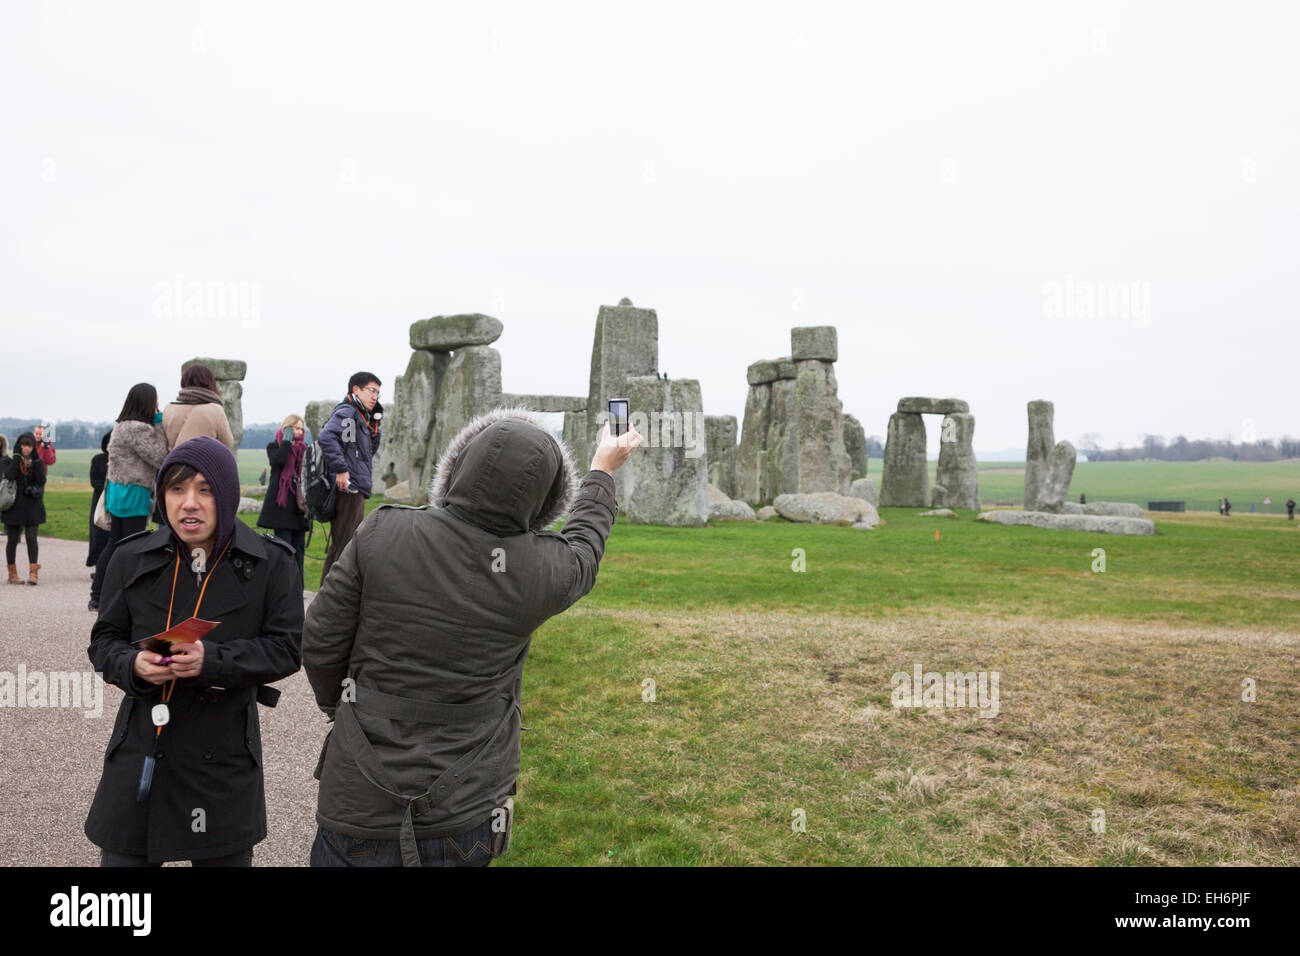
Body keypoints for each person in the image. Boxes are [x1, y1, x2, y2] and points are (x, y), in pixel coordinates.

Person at [302, 409, 643, 867]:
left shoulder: (385, 530)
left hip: (359, 796)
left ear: (459, 464)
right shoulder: (542, 571)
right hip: (464, 808)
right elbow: (585, 545)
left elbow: (321, 641)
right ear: (547, 496)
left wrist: (341, 705)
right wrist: (602, 469)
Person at [84, 436, 303, 866]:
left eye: (205, 490)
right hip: (143, 744)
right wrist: (133, 664)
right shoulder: (130, 558)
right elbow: (104, 641)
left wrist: (214, 661)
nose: (189, 503)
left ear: (226, 495)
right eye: (177, 489)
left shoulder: (272, 564)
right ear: (161, 496)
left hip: (220, 757)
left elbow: (286, 649)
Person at [90, 384, 169, 611]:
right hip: (132, 491)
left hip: (118, 489)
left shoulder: (121, 425)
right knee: (133, 545)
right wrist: (160, 423)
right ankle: (122, 594)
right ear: (148, 402)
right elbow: (159, 457)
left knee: (115, 543)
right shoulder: (138, 428)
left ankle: (98, 593)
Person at [316, 371, 383, 584]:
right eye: (371, 391)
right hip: (348, 488)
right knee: (345, 546)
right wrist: (341, 469)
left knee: (343, 544)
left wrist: (374, 426)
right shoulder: (348, 412)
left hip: (355, 487)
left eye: (378, 394)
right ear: (356, 389)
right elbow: (327, 437)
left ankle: (326, 597)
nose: (375, 397)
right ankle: (329, 599)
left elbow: (364, 453)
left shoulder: (360, 417)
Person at [257, 415, 310, 584]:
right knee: (282, 549)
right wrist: (286, 441)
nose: (300, 432)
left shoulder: (305, 449)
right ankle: (282, 586)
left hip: (299, 507)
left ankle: (298, 587)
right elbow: (278, 460)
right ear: (287, 428)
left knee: (299, 550)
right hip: (282, 507)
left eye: (302, 429)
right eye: (296, 428)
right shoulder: (275, 446)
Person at [4, 432, 47, 585]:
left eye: (28, 445)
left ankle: (33, 572)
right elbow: (9, 476)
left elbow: (41, 481)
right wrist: (16, 458)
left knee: (31, 537)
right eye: (23, 445)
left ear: (32, 447)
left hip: (32, 505)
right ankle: (12, 573)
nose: (25, 448)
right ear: (19, 446)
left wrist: (35, 464)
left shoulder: (38, 462)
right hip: (14, 506)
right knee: (12, 540)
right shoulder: (13, 460)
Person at [161, 364, 235, 451]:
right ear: (210, 383)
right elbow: (227, 443)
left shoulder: (169, 409)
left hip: (172, 462)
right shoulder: (215, 410)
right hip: (204, 462)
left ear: (184, 381)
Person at [87, 431, 111, 573]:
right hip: (99, 498)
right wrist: (107, 488)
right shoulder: (98, 459)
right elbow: (93, 480)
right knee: (98, 532)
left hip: (115, 498)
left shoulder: (121, 459)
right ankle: (98, 565)